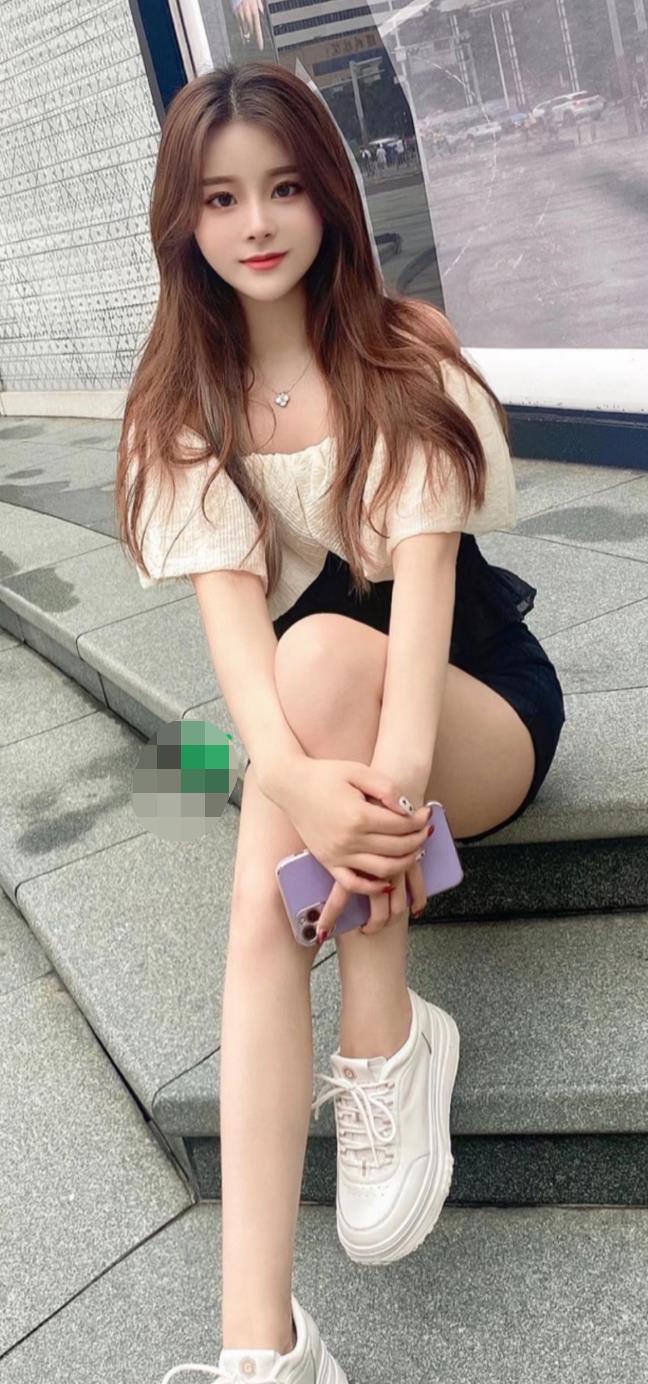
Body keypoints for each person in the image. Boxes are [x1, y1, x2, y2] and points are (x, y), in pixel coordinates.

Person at [115, 61, 566, 1384]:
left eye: (284, 188)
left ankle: (386, 1032)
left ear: (329, 194)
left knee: (313, 666)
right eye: (220, 198)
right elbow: (233, 645)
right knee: (269, 825)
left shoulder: (402, 349)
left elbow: (419, 631)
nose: (256, 224)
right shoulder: (184, 405)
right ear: (183, 220)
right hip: (320, 727)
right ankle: (259, 1348)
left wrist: (353, 800)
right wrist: (292, 784)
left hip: (475, 711)